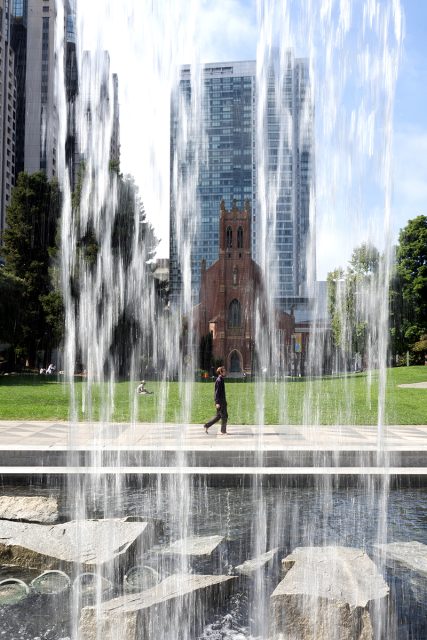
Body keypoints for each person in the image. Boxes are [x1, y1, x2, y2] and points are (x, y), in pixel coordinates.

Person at [203, 366, 228, 435]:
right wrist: (217, 402)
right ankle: (223, 431)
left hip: (222, 401)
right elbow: (216, 392)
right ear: (221, 372)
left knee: (218, 416)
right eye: (224, 371)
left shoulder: (221, 379)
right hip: (220, 402)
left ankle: (207, 425)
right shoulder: (219, 380)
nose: (225, 372)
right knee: (224, 416)